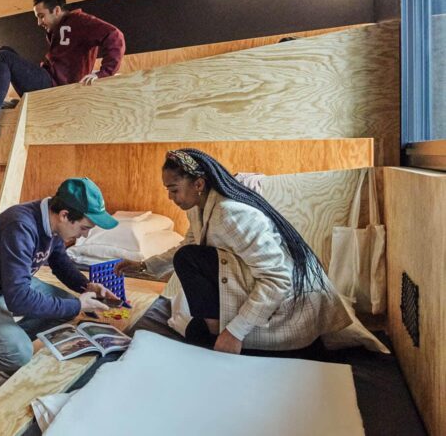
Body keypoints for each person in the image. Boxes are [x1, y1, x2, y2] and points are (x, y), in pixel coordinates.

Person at [115, 149, 352, 354]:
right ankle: (213, 329)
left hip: (288, 306)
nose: (170, 197)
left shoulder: (231, 214)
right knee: (188, 262)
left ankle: (218, 334)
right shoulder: (198, 207)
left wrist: (235, 332)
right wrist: (144, 266)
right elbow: (187, 245)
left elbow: (278, 278)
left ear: (198, 184)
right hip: (253, 284)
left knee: (189, 264)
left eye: (174, 189)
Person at [0, 178, 121, 405]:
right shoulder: (21, 225)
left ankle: (6, 349)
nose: (84, 235)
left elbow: (60, 261)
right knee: (20, 352)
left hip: (7, 286)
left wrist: (85, 286)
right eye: (84, 228)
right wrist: (80, 305)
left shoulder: (52, 223)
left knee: (63, 307)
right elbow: (18, 299)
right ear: (65, 215)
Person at [0, 0, 125, 141]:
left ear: (56, 10)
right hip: (47, 79)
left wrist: (104, 73)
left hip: (55, 87)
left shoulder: (80, 21)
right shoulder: (58, 29)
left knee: (5, 57)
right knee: (4, 50)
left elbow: (114, 35)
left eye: (41, 16)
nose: (39, 22)